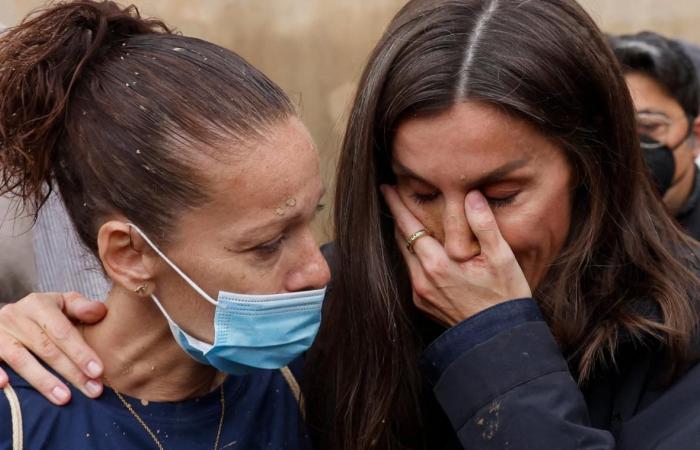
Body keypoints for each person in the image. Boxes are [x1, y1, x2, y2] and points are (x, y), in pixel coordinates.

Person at [3, 1, 700, 449]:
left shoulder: (679, 334)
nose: (456, 243)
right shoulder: (330, 325)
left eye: (502, 193)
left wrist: (498, 346)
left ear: (591, 170)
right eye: (421, 193)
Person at [0, 1, 329, 448]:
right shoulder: (21, 418)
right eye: (268, 244)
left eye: (314, 217)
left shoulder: (311, 380)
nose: (318, 271)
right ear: (129, 255)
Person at [610, 32, 700, 239]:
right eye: (614, 125)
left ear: (695, 136)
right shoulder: (583, 223)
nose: (628, 142)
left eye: (649, 126)